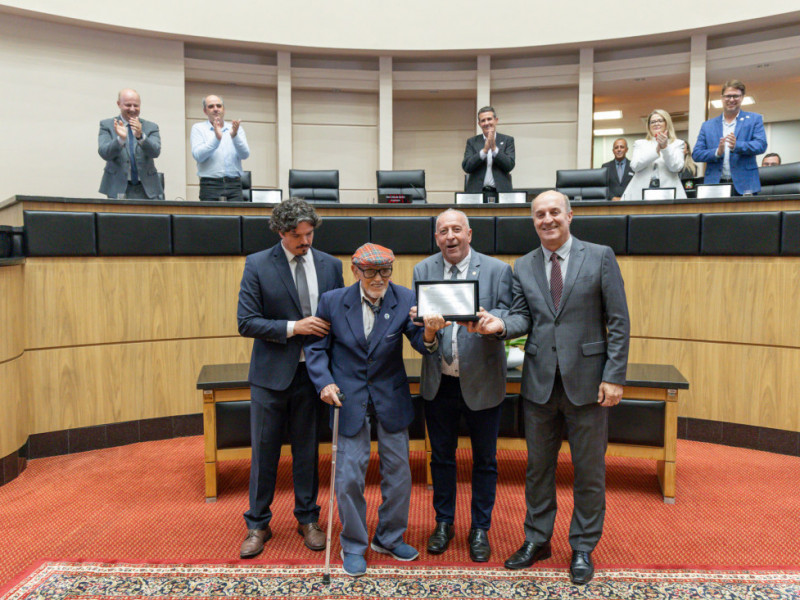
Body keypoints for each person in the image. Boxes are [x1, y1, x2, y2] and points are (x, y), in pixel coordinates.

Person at [470, 190, 630, 586]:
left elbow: (619, 321)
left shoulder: (600, 256)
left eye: (554, 212)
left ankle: (582, 547)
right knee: (538, 470)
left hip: (589, 385)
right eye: (539, 214)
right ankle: (537, 540)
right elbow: (523, 317)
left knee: (588, 472)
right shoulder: (522, 266)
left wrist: (614, 376)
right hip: (539, 386)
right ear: (533, 221)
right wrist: (501, 326)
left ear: (570, 215)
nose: (547, 220)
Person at [305, 243, 445, 578]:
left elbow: (421, 344)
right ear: (355, 271)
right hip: (347, 398)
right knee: (349, 478)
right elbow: (315, 347)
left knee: (399, 475)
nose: (378, 278)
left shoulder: (406, 298)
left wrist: (429, 332)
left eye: (385, 271)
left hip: (390, 397)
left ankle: (389, 537)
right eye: (370, 271)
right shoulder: (333, 301)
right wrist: (323, 382)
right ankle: (353, 544)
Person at [236, 198, 344, 559]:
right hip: (270, 375)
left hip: (314, 376)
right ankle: (257, 523)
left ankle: (308, 519)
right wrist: (293, 327)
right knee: (264, 451)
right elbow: (246, 321)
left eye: (310, 233)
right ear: (281, 232)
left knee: (307, 451)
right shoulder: (257, 264)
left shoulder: (331, 266)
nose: (306, 242)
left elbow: (339, 320)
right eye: (298, 236)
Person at [411, 209, 513, 562]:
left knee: (485, 460)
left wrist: (495, 323)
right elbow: (416, 331)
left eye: (457, 229)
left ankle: (480, 528)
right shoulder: (423, 270)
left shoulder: (498, 270)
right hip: (439, 383)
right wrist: (426, 332)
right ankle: (443, 523)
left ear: (469, 233)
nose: (450, 236)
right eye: (443, 231)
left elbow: (513, 317)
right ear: (436, 237)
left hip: (483, 382)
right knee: (441, 458)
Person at [693, 80, 767, 195]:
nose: (731, 100)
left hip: (745, 185)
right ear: (722, 98)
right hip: (715, 185)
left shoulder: (754, 119)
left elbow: (761, 145)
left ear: (742, 97)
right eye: (728, 96)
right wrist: (717, 152)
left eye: (735, 96)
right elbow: (696, 154)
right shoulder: (708, 125)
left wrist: (737, 146)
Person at [98, 89, 164, 200]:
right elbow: (105, 153)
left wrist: (140, 136)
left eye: (136, 105)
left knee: (149, 218)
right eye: (128, 105)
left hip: (147, 188)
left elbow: (155, 152)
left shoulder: (151, 127)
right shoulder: (107, 125)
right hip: (117, 186)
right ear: (119, 104)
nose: (132, 109)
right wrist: (120, 139)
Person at [190, 94, 250, 201]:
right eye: (211, 106)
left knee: (237, 217)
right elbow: (198, 156)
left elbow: (245, 155)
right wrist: (216, 139)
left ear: (224, 109)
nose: (215, 109)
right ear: (205, 111)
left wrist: (235, 136)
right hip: (210, 184)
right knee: (210, 218)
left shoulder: (235, 129)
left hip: (234, 184)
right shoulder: (198, 128)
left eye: (218, 106)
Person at [621, 110, 686, 201]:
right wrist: (655, 152)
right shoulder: (640, 143)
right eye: (653, 122)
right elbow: (635, 166)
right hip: (640, 194)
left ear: (667, 123)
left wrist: (665, 147)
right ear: (649, 126)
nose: (656, 124)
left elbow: (676, 167)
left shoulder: (677, 143)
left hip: (669, 194)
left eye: (660, 121)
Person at [462, 106, 515, 194]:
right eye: (483, 120)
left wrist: (494, 149)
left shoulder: (507, 140)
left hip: (501, 192)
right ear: (479, 124)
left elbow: (509, 165)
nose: (486, 123)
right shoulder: (472, 142)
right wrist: (484, 151)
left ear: (496, 120)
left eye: (489, 119)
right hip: (476, 193)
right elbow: (467, 167)